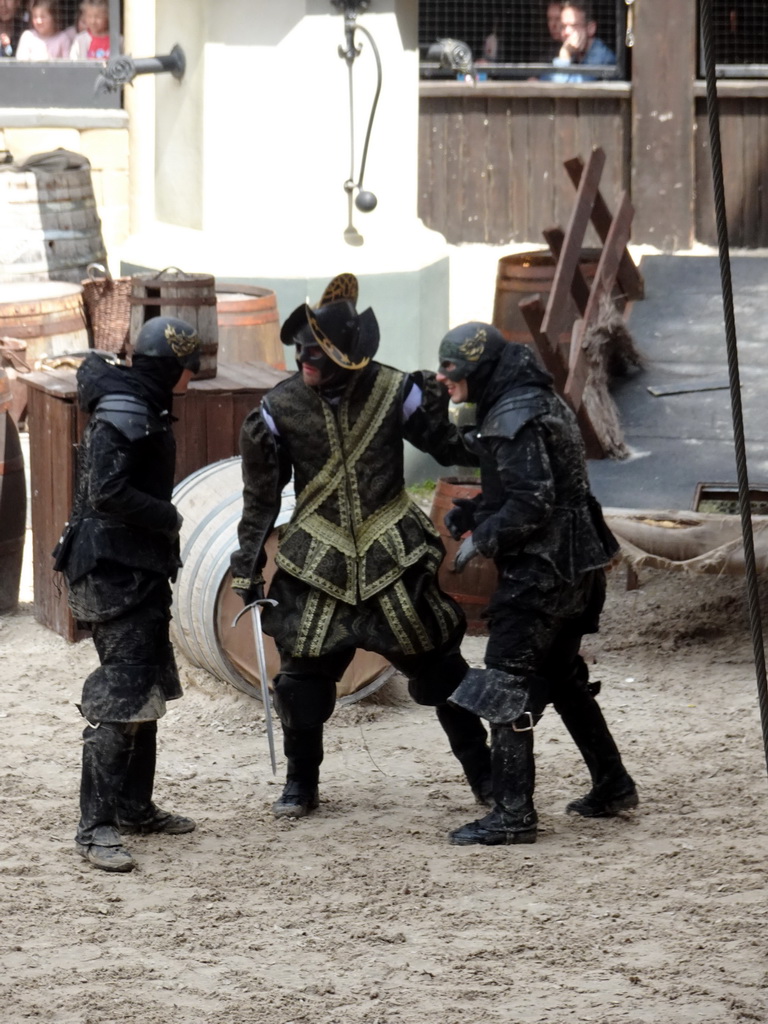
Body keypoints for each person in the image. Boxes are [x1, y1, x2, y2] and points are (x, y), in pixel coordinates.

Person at [230, 274, 492, 819]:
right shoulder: (278, 408)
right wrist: (247, 562)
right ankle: (302, 786)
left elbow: (449, 447)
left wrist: (502, 434)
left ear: (349, 360)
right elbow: (259, 499)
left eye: (317, 357)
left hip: (393, 557)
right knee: (300, 683)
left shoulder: (397, 390)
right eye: (301, 352)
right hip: (316, 563)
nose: (305, 362)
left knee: (442, 672)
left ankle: (487, 779)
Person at [434, 324, 638, 846]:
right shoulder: (533, 399)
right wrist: (477, 511)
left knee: (504, 684)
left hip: (543, 573)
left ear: (477, 368)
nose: (443, 377)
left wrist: (485, 535)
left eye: (451, 368)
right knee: (563, 677)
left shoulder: (513, 413)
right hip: (577, 565)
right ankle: (613, 784)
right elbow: (537, 486)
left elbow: (532, 502)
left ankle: (512, 814)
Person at [52, 317, 202, 873]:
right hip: (113, 574)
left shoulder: (139, 399)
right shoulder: (126, 410)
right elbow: (108, 493)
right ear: (169, 366)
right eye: (188, 367)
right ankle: (95, 828)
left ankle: (135, 807)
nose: (193, 376)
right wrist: (167, 515)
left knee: (146, 691)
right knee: (122, 696)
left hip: (134, 569)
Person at [551, 1, 616, 82]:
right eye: (563, 26)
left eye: (573, 25)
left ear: (591, 29)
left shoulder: (602, 58)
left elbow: (568, 90)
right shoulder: (575, 53)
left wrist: (564, 55)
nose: (566, 32)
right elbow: (548, 79)